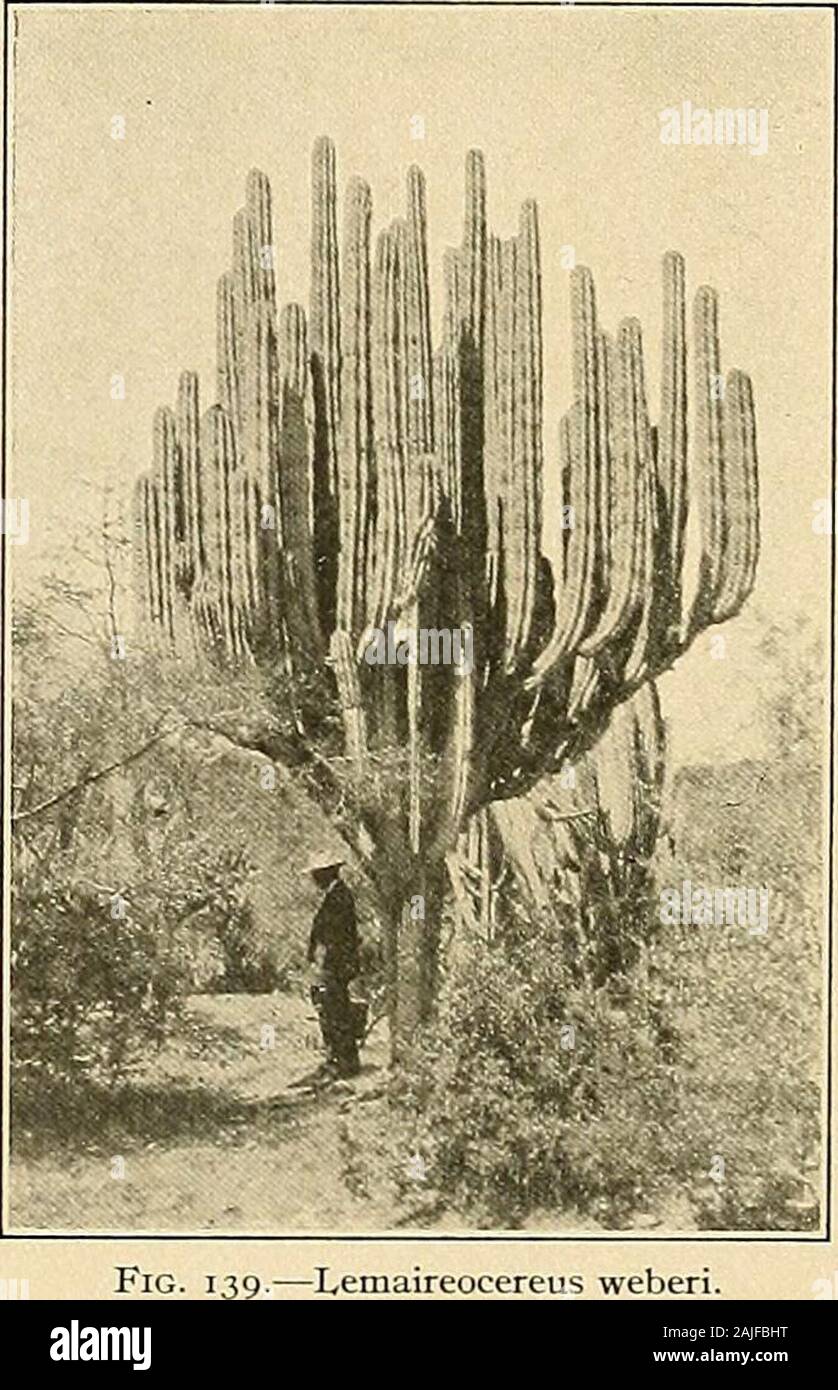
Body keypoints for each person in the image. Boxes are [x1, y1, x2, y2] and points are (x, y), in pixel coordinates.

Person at [305, 856, 361, 1078]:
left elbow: (336, 935)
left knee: (336, 1012)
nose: (313, 879)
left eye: (316, 874)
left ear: (326, 873)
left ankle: (344, 1061)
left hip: (336, 965)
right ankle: (337, 1058)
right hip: (332, 963)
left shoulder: (340, 897)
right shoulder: (334, 895)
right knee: (331, 1010)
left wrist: (324, 960)